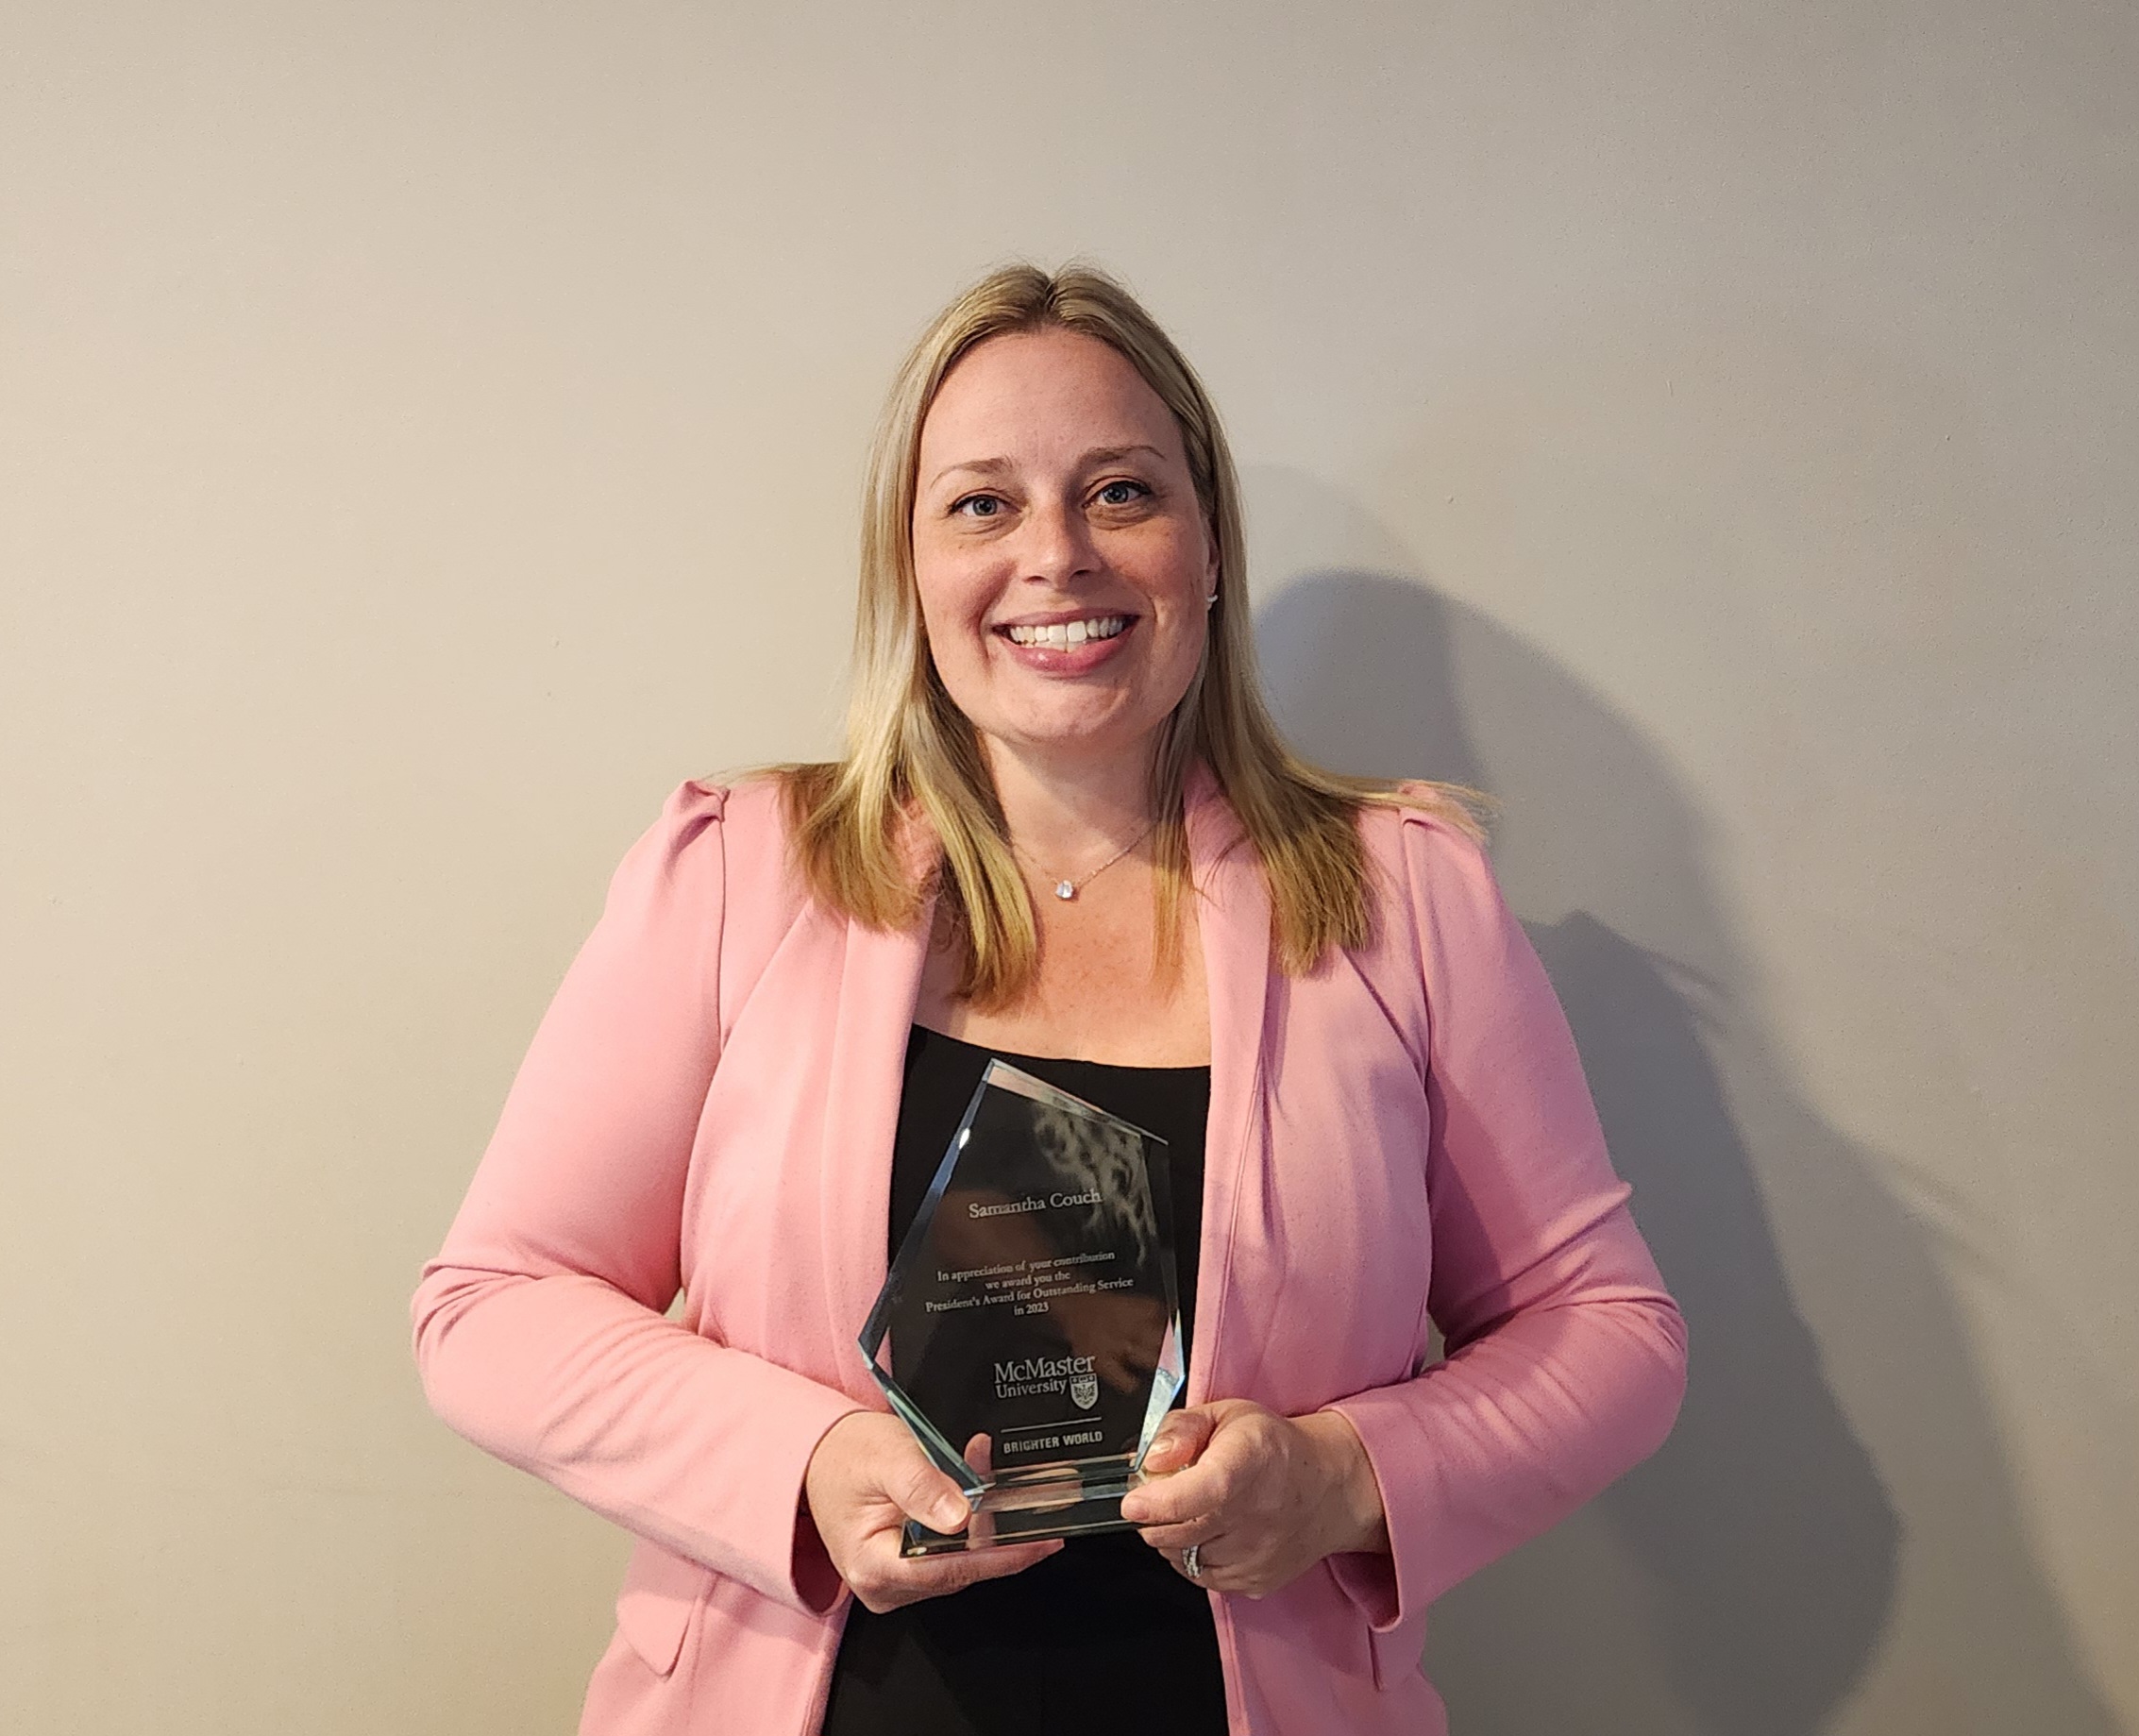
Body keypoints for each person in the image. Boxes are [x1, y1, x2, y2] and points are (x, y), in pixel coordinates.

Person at [412, 262, 1688, 1736]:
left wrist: (1341, 1480)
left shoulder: (1403, 899)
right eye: (982, 505)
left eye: (1121, 492)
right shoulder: (737, 876)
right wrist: (807, 1464)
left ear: (1207, 547)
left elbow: (1608, 1332)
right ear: (910, 567)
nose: (1057, 557)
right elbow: (490, 1307)